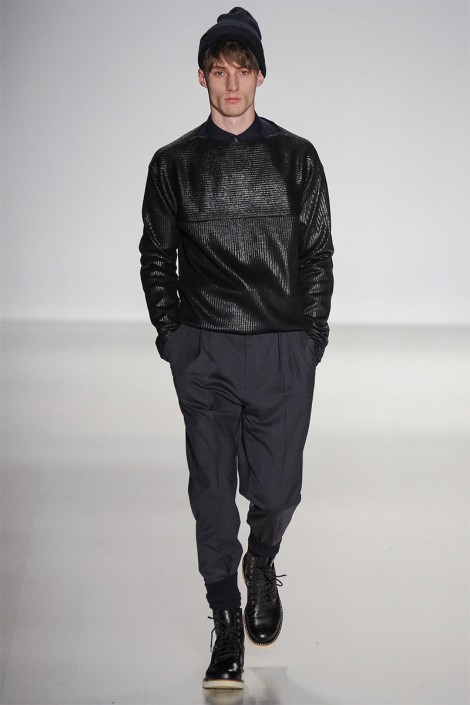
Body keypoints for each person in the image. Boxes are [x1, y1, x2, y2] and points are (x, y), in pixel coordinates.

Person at [139, 6, 334, 690]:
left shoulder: (297, 158)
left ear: (259, 77)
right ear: (202, 77)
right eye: (219, 71)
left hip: (280, 347)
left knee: (278, 490)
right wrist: (174, 337)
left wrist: (310, 338)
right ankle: (225, 619)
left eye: (242, 71)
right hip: (206, 351)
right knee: (212, 495)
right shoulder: (173, 164)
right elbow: (155, 256)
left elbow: (317, 254)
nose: (231, 84)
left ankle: (263, 559)